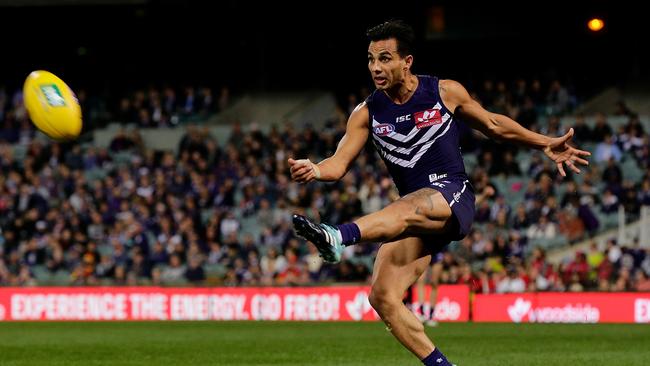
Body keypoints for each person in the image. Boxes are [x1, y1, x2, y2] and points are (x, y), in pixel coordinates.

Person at [288, 20, 590, 366]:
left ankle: (338, 236)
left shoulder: (443, 92)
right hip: (416, 215)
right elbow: (338, 164)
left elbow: (493, 125)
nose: (376, 67)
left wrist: (545, 143)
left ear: (407, 61)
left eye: (385, 58)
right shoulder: (367, 112)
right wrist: (315, 169)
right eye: (371, 59)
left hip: (453, 195)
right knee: (383, 296)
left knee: (409, 204)